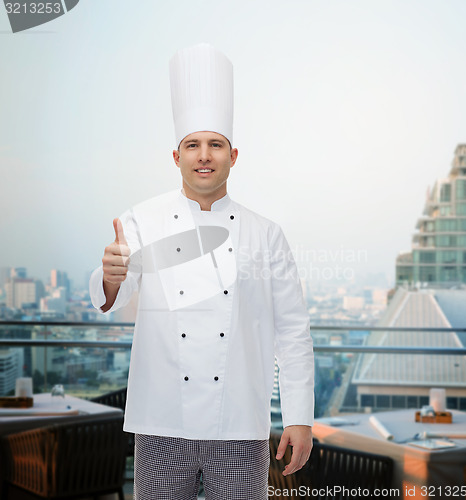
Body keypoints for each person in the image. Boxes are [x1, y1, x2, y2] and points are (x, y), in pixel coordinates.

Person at [90, 43, 314, 500]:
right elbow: (112, 293)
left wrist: (299, 418)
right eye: (193, 145)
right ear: (176, 157)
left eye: (216, 144)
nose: (204, 155)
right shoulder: (139, 220)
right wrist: (112, 274)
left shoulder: (266, 234)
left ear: (234, 155)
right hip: (160, 423)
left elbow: (292, 331)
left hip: (240, 425)